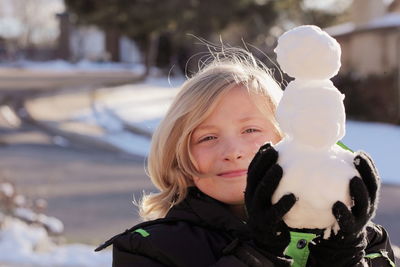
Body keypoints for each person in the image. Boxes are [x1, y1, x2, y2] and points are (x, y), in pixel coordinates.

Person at [96, 47, 395, 266]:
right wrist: (258, 254)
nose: (234, 151)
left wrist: (344, 258)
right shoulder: (149, 249)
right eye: (208, 137)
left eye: (251, 129)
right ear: (179, 157)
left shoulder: (367, 242)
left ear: (289, 139)